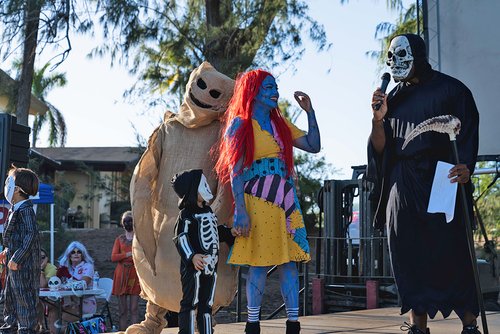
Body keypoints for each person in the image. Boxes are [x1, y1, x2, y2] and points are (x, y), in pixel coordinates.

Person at [368, 34, 480, 334]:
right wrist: (378, 120)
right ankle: (418, 323)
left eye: (402, 55)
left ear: (417, 55)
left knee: (451, 251)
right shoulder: (393, 98)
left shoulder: (451, 89)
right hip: (402, 185)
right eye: (390, 57)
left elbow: (468, 130)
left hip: (441, 178)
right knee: (407, 253)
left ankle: (469, 323)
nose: (395, 63)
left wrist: (466, 166)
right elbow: (380, 149)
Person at [214, 70, 321, 334]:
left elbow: (313, 145)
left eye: (276, 87)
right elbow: (235, 170)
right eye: (269, 87)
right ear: (253, 90)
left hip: (284, 199)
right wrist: (240, 210)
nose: (275, 92)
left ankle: (293, 323)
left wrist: (310, 111)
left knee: (288, 262)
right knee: (258, 263)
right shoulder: (240, 124)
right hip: (256, 199)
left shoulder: (281, 124)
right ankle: (253, 324)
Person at [171, 169, 236, 334]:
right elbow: (180, 236)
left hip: (211, 267)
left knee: (207, 304)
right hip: (194, 269)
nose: (207, 188)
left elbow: (215, 232)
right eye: (204, 185)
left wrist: (230, 233)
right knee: (190, 303)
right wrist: (192, 256)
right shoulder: (186, 214)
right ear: (193, 189)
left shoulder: (208, 211)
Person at [0, 166, 41, 334]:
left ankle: (26, 329)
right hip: (13, 264)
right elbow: (16, 236)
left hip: (23, 265)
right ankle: (10, 326)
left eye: (9, 182)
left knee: (24, 298)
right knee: (10, 296)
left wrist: (17, 257)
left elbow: (31, 235)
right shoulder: (15, 209)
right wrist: (6, 250)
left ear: (16, 189)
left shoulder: (26, 210)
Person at [47, 241, 96, 333]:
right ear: (69, 255)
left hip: (84, 302)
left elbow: (83, 284)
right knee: (52, 311)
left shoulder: (88, 266)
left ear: (83, 254)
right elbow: (57, 284)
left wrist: (68, 279)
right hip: (68, 302)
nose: (76, 254)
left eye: (79, 252)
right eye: (73, 252)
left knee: (64, 315)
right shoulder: (66, 268)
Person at [111, 211, 141, 330]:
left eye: (130, 220)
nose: (128, 223)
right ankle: (122, 331)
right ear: (122, 224)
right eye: (125, 221)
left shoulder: (139, 238)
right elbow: (113, 257)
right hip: (121, 274)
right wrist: (128, 254)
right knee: (122, 310)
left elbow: (142, 255)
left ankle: (135, 331)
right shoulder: (119, 239)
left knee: (134, 308)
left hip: (135, 273)